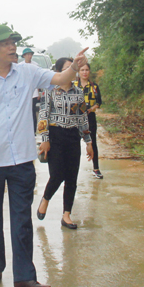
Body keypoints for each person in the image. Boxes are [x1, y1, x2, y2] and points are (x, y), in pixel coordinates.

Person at [0, 25, 89, 287]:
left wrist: (74, 67)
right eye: (6, 43)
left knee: (21, 219)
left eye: (13, 42)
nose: (12, 46)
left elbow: (59, 77)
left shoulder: (28, 73)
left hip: (21, 162)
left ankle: (24, 278)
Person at [36, 57, 94, 229]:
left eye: (74, 68)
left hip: (73, 137)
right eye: (69, 68)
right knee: (57, 174)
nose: (73, 71)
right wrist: (45, 140)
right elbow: (43, 115)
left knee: (72, 177)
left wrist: (88, 141)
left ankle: (67, 215)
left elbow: (82, 118)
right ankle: (45, 199)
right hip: (55, 136)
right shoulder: (51, 90)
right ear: (60, 71)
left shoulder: (78, 92)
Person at [75, 63, 103, 179]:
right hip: (76, 117)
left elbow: (99, 102)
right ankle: (73, 169)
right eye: (82, 70)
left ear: (89, 72)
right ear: (79, 72)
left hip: (90, 117)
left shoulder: (94, 86)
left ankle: (96, 168)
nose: (85, 72)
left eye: (87, 70)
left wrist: (92, 108)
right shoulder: (74, 86)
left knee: (92, 142)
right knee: (75, 143)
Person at [22, 47, 39, 131]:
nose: (30, 56)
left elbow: (38, 79)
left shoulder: (35, 65)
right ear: (24, 55)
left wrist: (38, 91)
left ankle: (34, 130)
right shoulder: (20, 66)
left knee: (32, 111)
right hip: (23, 92)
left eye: (31, 54)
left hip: (34, 92)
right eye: (28, 54)